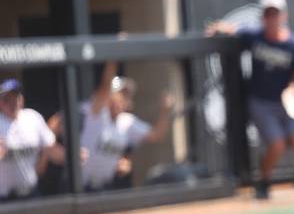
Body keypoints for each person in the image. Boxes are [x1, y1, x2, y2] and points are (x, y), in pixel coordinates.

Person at [207, 0, 294, 199]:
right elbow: (233, 30)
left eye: (276, 13)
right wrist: (218, 28)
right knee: (276, 144)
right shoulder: (255, 36)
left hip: (287, 102)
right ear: (263, 17)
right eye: (268, 14)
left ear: (284, 16)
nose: (272, 18)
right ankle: (264, 181)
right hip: (262, 102)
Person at [78, 62, 174, 191]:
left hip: (103, 188)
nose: (125, 99)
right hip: (79, 186)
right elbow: (106, 84)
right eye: (121, 94)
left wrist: (165, 111)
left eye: (127, 95)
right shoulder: (96, 112)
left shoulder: (126, 121)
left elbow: (157, 135)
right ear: (110, 95)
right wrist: (113, 57)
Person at [0, 79, 64, 202]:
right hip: (4, 198)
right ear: (1, 102)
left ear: (22, 99)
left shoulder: (32, 118)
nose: (13, 102)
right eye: (8, 99)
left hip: (30, 194)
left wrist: (71, 157)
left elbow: (51, 149)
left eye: (16, 97)